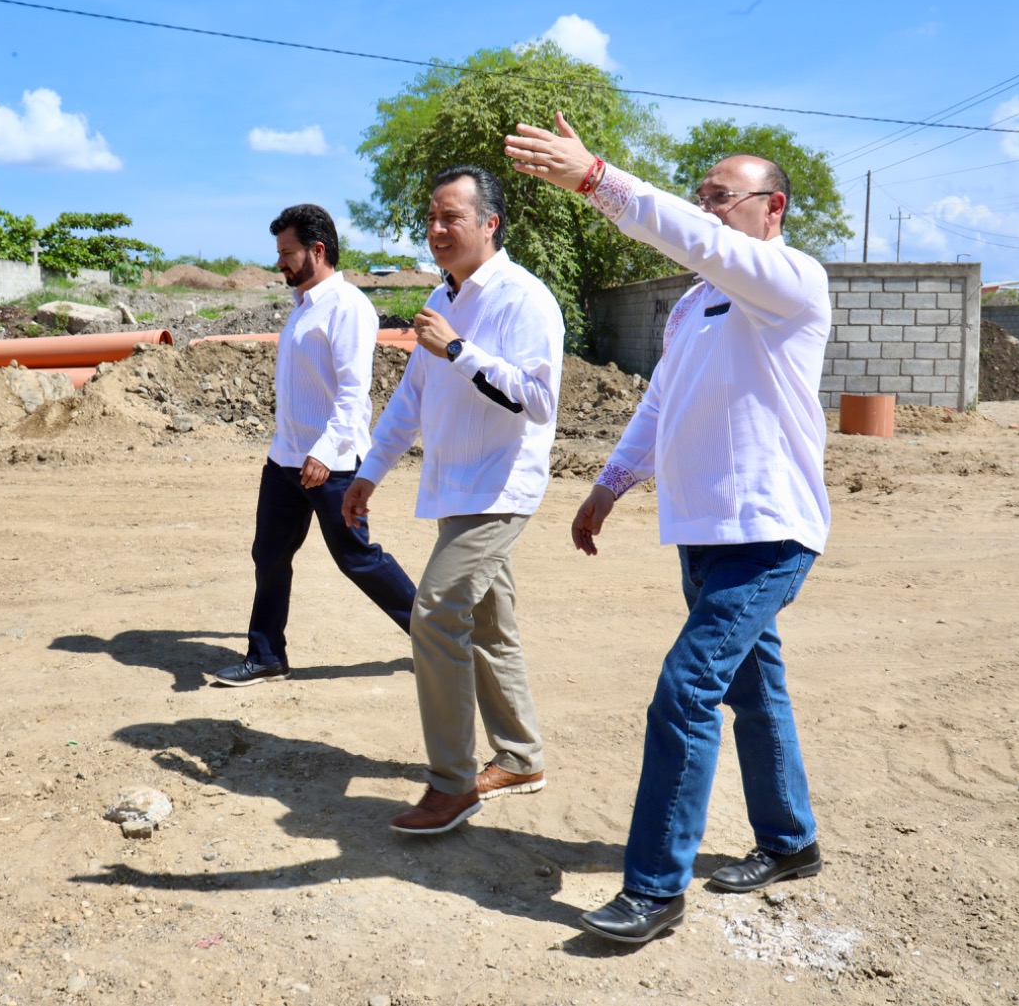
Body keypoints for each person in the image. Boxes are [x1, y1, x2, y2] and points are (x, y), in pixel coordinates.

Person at [504, 114, 831, 943]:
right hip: (704, 530)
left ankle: (654, 888)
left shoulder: (792, 282)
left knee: (686, 690)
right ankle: (791, 841)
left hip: (768, 531)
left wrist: (598, 179)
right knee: (756, 693)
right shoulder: (692, 308)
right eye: (704, 197)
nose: (709, 209)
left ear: (774, 207)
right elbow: (661, 402)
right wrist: (609, 485)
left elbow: (704, 245)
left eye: (723, 198)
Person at [341, 166, 564, 834]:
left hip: (500, 484)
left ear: (490, 224)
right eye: (431, 218)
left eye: (450, 218)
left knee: (435, 612)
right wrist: (370, 471)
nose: (436, 230)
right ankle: (521, 756)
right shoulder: (448, 295)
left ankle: (451, 783)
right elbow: (412, 397)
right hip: (456, 485)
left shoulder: (524, 299)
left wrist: (459, 349)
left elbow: (539, 398)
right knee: (490, 623)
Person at [208, 203, 417, 687]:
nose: (279, 262)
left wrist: (324, 451)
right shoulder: (303, 306)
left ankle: (437, 636)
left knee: (358, 558)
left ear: (317, 250)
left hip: (332, 463)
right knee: (270, 555)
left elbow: (352, 392)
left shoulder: (348, 307)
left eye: (287, 252)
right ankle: (265, 655)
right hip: (285, 461)